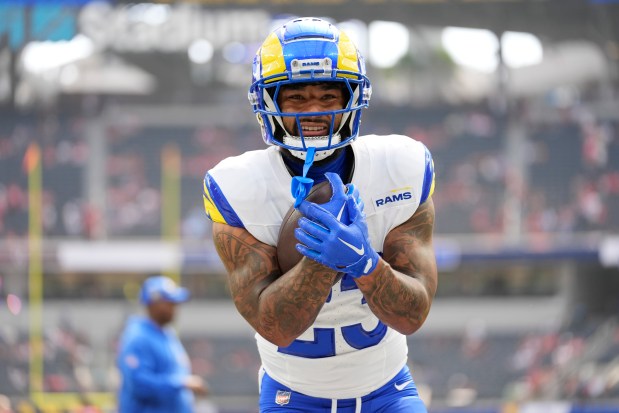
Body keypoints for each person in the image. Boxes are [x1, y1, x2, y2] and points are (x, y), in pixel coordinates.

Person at [203, 16, 437, 412]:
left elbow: (413, 314)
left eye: (329, 97)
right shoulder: (237, 187)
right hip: (293, 398)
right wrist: (321, 262)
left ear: (352, 100)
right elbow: (275, 326)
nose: (315, 111)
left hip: (388, 391)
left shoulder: (403, 167)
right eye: (296, 98)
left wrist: (364, 263)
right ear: (269, 103)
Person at [116, 275, 208, 413]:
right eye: (169, 303)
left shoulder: (165, 333)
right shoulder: (138, 337)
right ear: (154, 304)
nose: (174, 308)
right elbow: (139, 384)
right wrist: (181, 383)